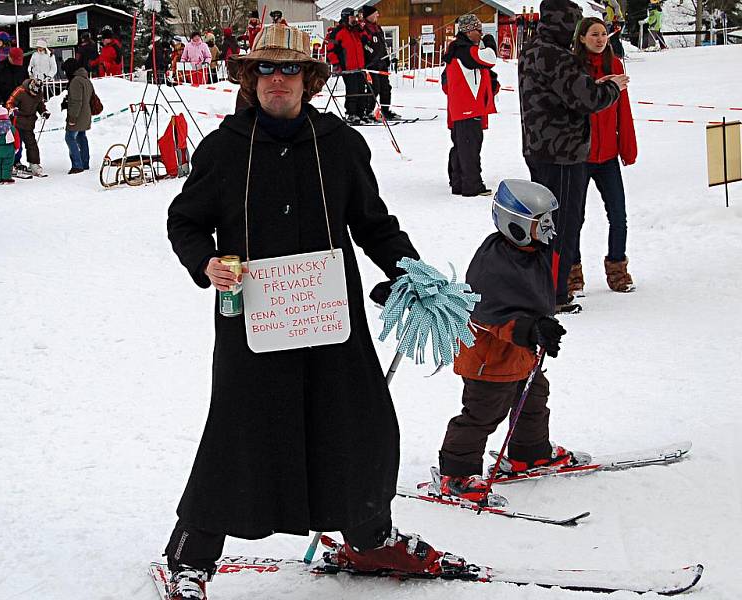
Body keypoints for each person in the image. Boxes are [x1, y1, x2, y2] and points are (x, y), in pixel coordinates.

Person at [164, 23, 446, 600]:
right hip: (253, 322)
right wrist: (207, 262)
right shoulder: (223, 148)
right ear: (249, 79)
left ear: (308, 80)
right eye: (264, 70)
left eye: (289, 69)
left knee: (354, 424)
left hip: (330, 318)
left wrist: (409, 270)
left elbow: (371, 222)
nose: (277, 80)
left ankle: (370, 537)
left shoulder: (339, 143)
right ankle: (190, 557)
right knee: (239, 431)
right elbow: (185, 221)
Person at [437, 179, 586, 501]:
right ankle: (457, 473)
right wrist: (530, 329)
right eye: (541, 221)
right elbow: (489, 316)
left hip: (519, 354)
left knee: (533, 400)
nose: (549, 228)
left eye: (549, 219)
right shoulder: (493, 263)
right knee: (482, 414)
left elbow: (535, 297)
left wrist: (542, 326)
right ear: (516, 223)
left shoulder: (531, 251)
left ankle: (529, 452)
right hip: (488, 359)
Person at [518, 0, 626, 313]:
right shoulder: (556, 55)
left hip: (540, 148)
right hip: (562, 152)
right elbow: (585, 98)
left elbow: (564, 92)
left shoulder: (533, 49)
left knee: (547, 222)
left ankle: (548, 286)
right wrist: (612, 89)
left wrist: (593, 86)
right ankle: (555, 293)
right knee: (563, 225)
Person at [569, 17, 637, 295]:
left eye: (604, 34)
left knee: (618, 215)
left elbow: (624, 108)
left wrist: (627, 147)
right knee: (575, 217)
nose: (600, 39)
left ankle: (618, 270)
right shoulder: (572, 68)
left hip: (607, 155)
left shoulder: (616, 65)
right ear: (582, 38)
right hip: (579, 155)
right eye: (594, 34)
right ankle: (572, 275)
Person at [442, 14, 500, 198]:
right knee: (470, 147)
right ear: (468, 31)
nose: (481, 34)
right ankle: (472, 185)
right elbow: (490, 58)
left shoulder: (458, 51)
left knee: (461, 147)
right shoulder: (464, 50)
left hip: (461, 108)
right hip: (468, 108)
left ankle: (459, 182)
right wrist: (491, 42)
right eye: (479, 30)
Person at [6, 78, 50, 177]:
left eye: (36, 92)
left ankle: (34, 164)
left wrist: (44, 112)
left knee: (32, 144)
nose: (34, 94)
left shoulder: (39, 93)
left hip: (29, 123)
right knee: (17, 145)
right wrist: (12, 109)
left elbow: (40, 105)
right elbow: (10, 102)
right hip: (17, 122)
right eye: (32, 92)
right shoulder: (20, 90)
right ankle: (14, 163)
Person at [331, 7, 368, 124]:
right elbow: (330, 49)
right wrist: (336, 64)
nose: (354, 19)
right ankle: (351, 113)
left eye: (355, 17)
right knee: (353, 90)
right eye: (352, 17)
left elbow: (366, 40)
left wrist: (361, 28)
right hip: (347, 67)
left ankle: (361, 113)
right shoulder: (338, 31)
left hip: (359, 66)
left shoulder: (355, 31)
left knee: (362, 90)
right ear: (346, 17)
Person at [361, 6, 397, 120]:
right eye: (375, 13)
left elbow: (382, 44)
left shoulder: (378, 28)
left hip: (381, 64)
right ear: (369, 15)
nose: (377, 15)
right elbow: (364, 45)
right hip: (371, 64)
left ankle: (385, 110)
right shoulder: (364, 29)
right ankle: (368, 111)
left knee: (386, 88)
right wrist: (373, 56)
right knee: (374, 88)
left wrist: (386, 57)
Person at [61, 58, 93, 174]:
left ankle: (77, 165)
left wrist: (72, 118)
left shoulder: (75, 81)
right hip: (86, 114)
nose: (65, 74)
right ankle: (85, 163)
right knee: (81, 137)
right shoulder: (85, 79)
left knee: (69, 138)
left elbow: (76, 101)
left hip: (77, 115)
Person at [0, 46, 28, 117]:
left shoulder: (22, 69)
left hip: (18, 110)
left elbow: (26, 87)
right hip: (1, 111)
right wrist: (1, 101)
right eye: (15, 61)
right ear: (9, 56)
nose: (17, 64)